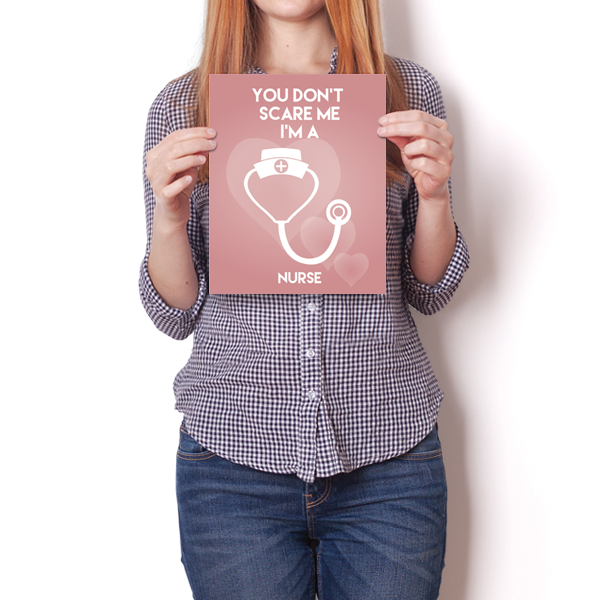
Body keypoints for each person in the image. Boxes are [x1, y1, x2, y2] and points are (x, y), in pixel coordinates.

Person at [140, 1, 469, 598]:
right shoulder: (185, 105)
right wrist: (168, 216)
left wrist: (436, 197)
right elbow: (176, 312)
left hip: (389, 459)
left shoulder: (406, 91)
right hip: (231, 466)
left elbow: (430, 287)